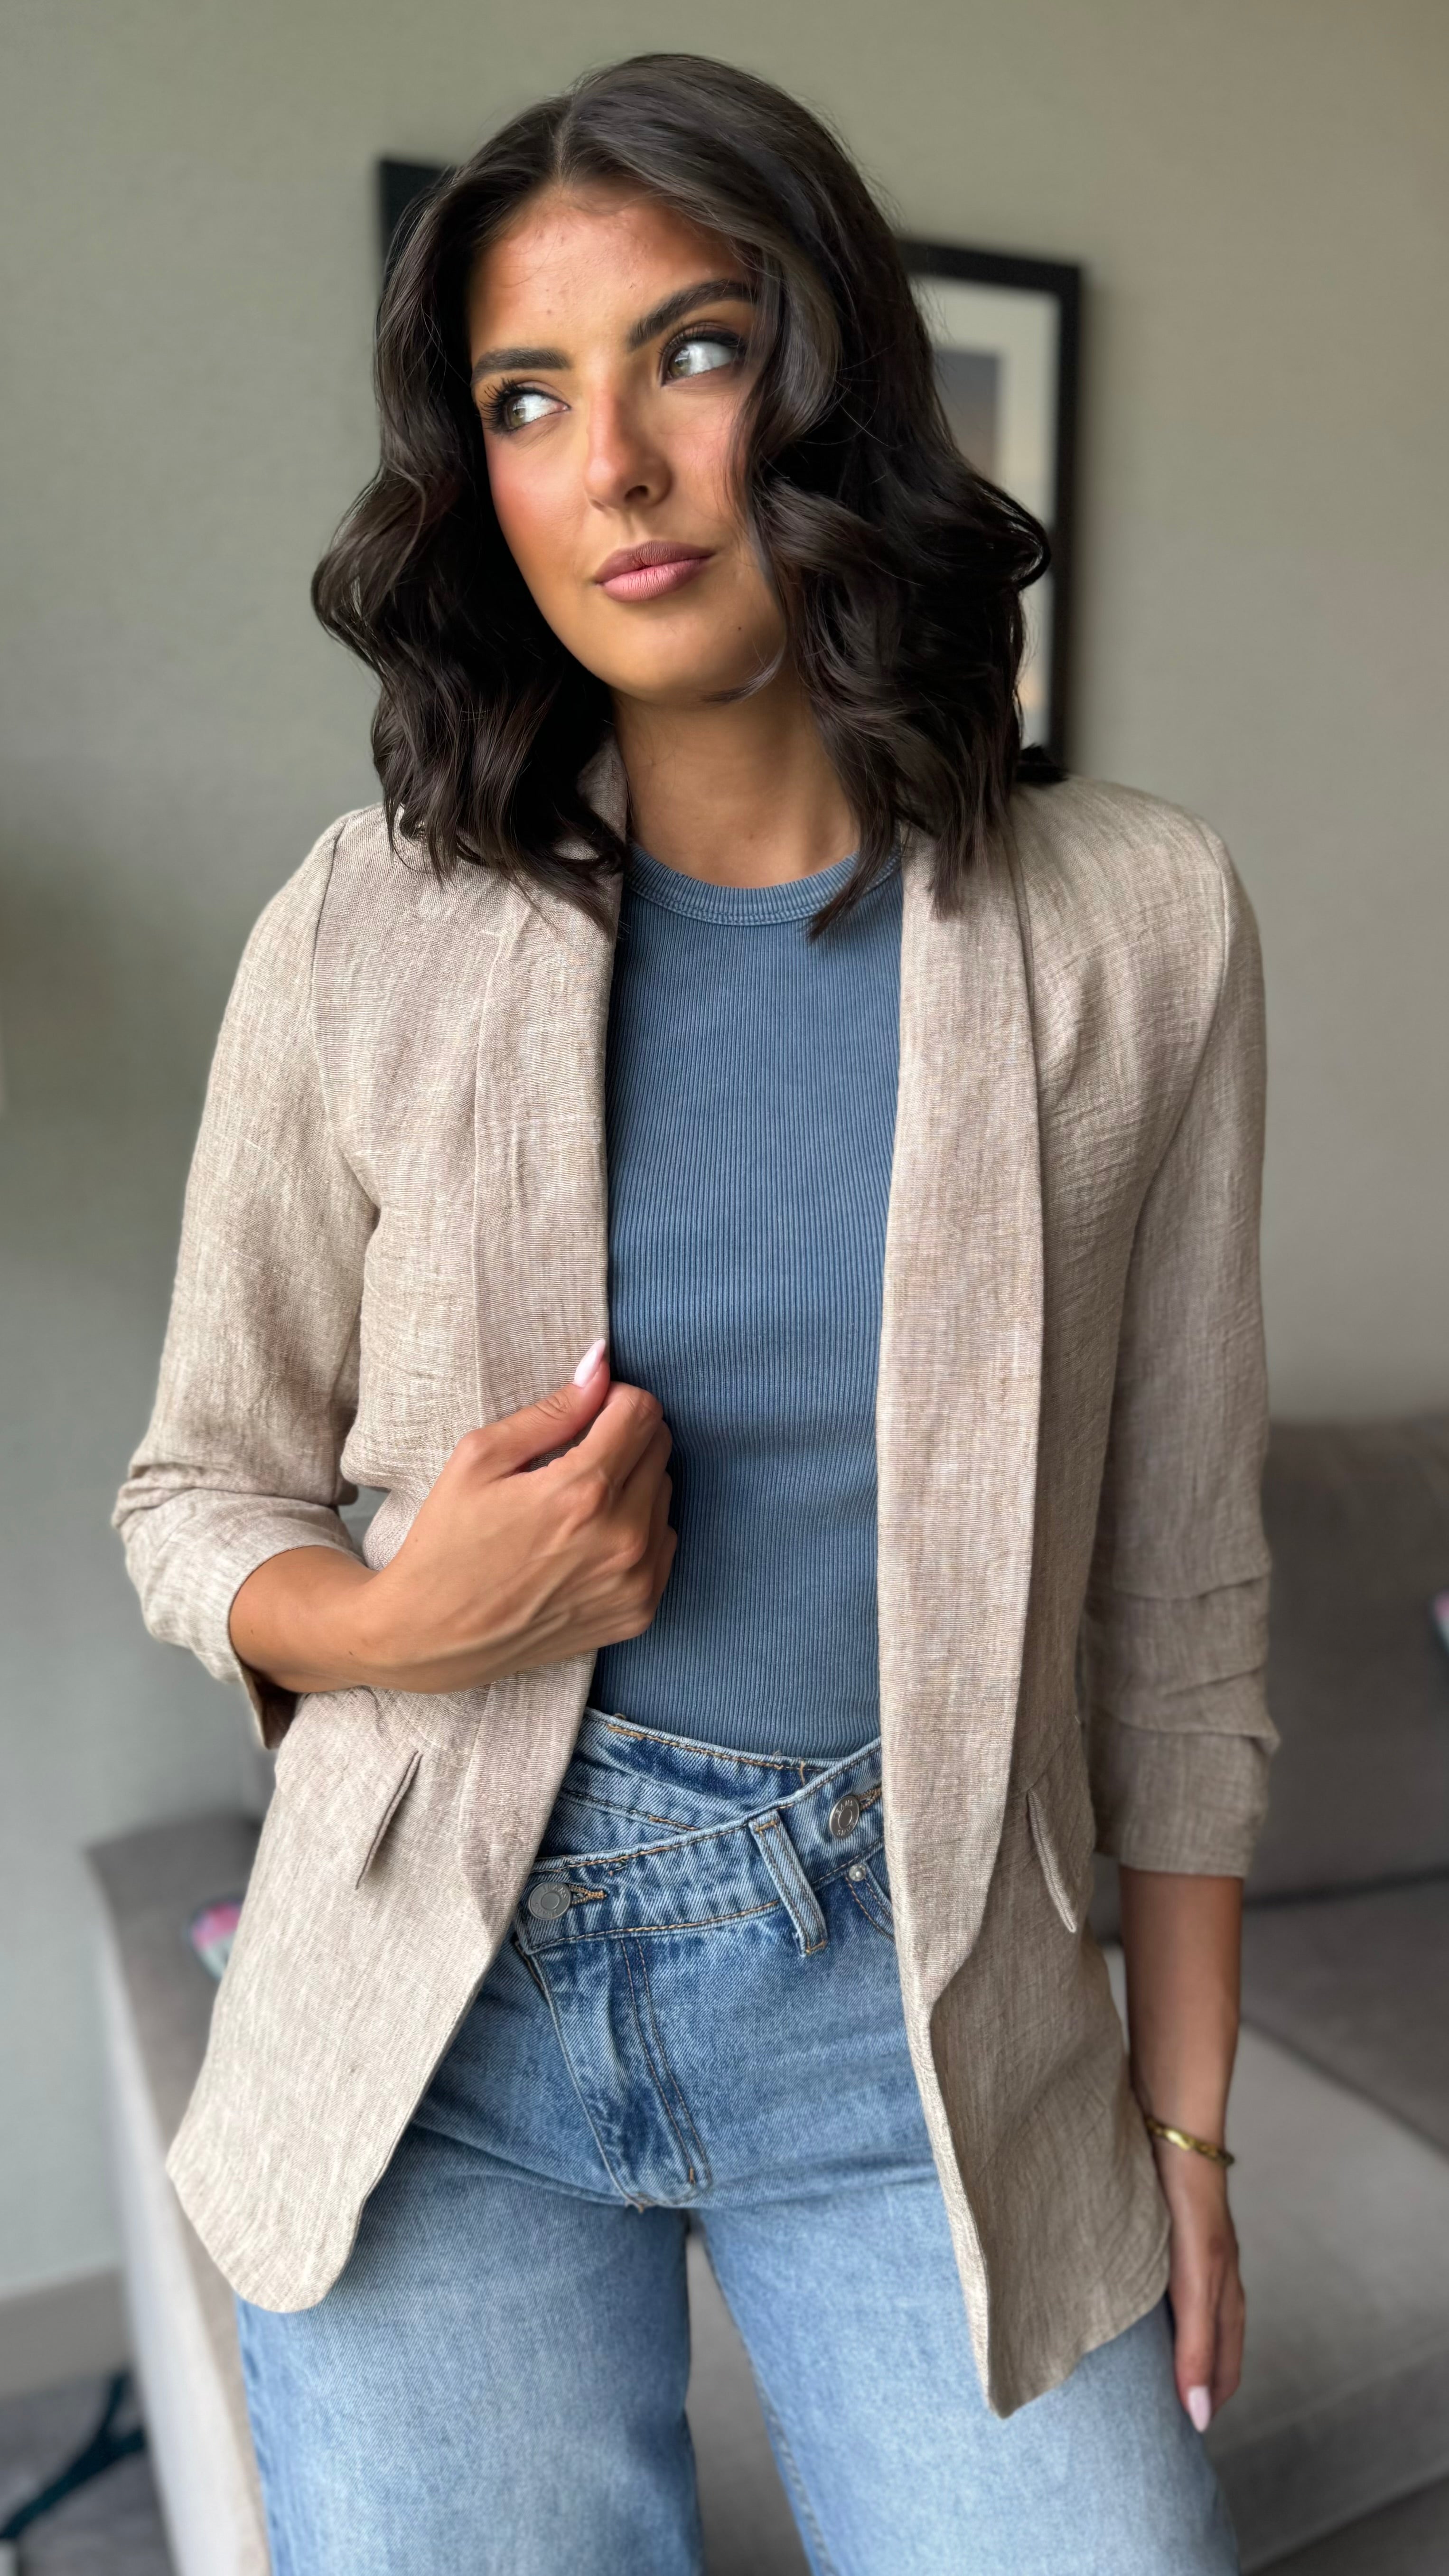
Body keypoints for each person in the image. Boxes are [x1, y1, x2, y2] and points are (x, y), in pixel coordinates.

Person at [114, 51, 1274, 2576]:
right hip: (434, 2011)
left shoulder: (1138, 923)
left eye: (694, 354)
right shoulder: (364, 926)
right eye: (529, 400)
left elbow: (1181, 1593)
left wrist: (1186, 2125)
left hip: (915, 2017)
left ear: (835, 379)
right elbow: (195, 1494)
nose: (616, 467)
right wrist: (400, 1619)